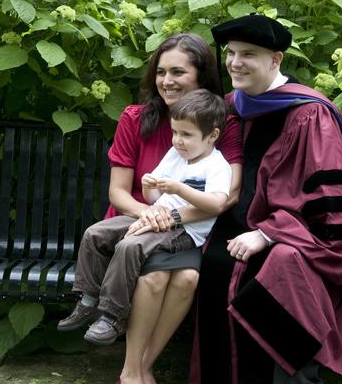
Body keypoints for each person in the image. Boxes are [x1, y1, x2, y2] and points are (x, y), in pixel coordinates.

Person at [189, 15, 342, 384]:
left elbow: (328, 213)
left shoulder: (308, 114)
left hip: (311, 241)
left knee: (283, 264)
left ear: (276, 58)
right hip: (237, 226)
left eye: (248, 54)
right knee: (213, 260)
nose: (235, 62)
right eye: (230, 54)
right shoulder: (233, 108)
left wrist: (266, 233)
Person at [60, 34, 243, 384]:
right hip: (137, 222)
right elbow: (118, 192)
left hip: (184, 227)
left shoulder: (218, 121)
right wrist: (149, 213)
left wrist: (171, 216)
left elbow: (226, 195)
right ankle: (129, 370)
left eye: (179, 72)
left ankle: (141, 369)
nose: (167, 81)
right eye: (161, 72)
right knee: (155, 279)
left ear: (201, 76)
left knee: (187, 279)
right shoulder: (135, 118)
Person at [58, 89, 232, 347]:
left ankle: (112, 317)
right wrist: (149, 184)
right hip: (156, 216)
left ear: (212, 136)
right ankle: (88, 301)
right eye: (174, 132)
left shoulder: (217, 166)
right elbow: (153, 199)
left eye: (186, 135)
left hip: (184, 230)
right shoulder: (176, 155)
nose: (177, 141)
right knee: (95, 233)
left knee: (129, 246)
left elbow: (217, 204)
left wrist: (179, 189)